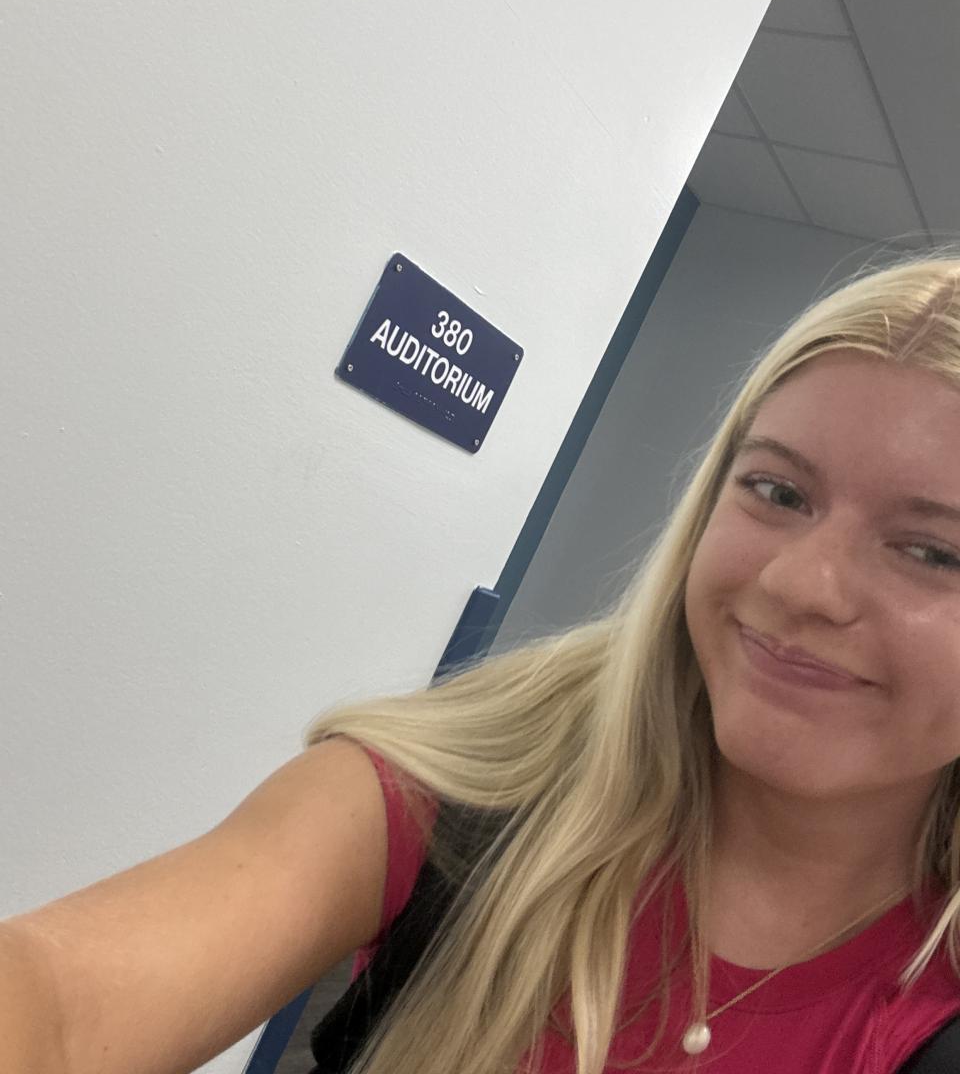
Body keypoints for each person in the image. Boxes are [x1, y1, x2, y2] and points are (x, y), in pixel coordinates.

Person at [5, 248, 960, 1074]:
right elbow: (60, 1000)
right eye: (777, 492)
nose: (803, 584)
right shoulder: (484, 775)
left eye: (932, 552)